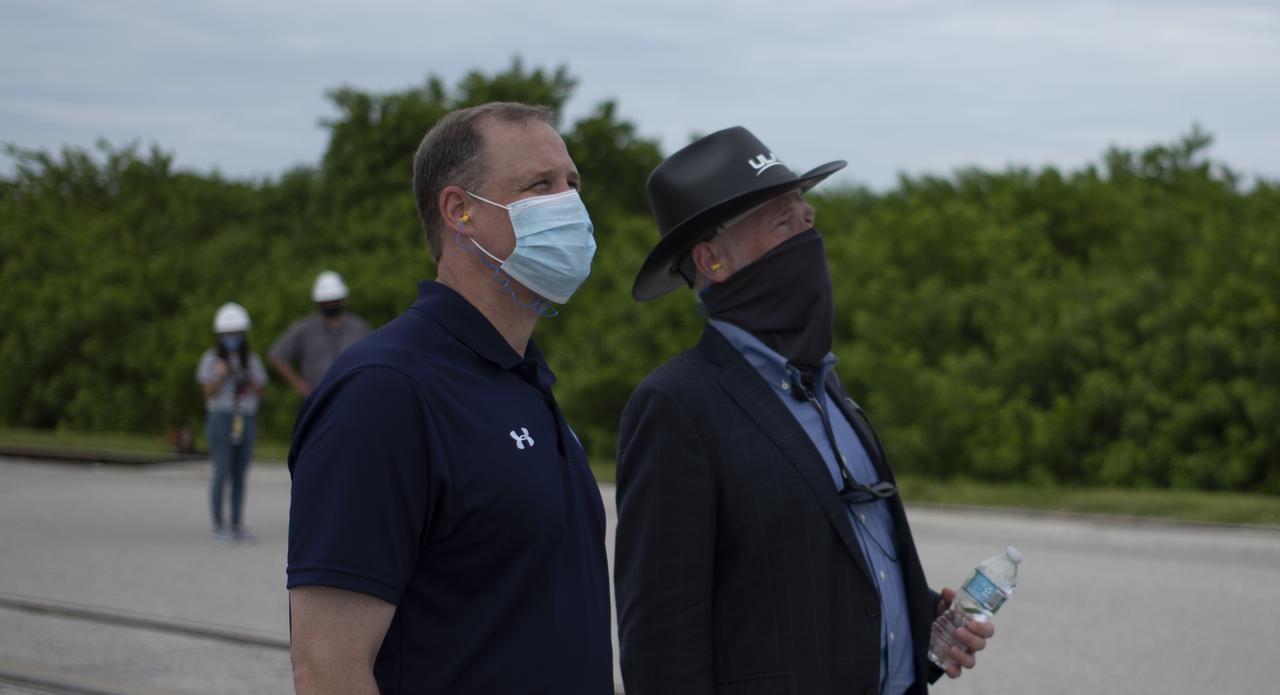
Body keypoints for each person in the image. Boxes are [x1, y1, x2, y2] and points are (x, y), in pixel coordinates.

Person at [614, 127, 996, 695]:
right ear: (712, 260)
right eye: (783, 224)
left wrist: (924, 630)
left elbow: (823, 570)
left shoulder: (826, 387)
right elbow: (662, 647)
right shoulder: (676, 405)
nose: (807, 241)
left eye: (807, 221)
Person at [286, 102, 613, 695]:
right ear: (459, 210)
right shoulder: (386, 391)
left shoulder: (523, 379)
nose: (569, 205)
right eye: (540, 185)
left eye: (572, 185)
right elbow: (328, 666)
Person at [196, 301, 268, 541]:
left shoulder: (252, 360)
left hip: (245, 417)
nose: (232, 338)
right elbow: (207, 391)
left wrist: (248, 378)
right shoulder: (210, 359)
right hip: (220, 416)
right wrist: (222, 374)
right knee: (222, 470)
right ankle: (218, 524)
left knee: (240, 473)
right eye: (228, 334)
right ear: (220, 335)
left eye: (236, 333)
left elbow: (261, 391)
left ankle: (237, 523)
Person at [268, 270, 370, 397]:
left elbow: (372, 356)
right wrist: (299, 384)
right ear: (319, 302)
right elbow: (277, 355)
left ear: (343, 299)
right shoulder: (305, 328)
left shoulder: (358, 326)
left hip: (353, 393)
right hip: (318, 396)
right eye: (327, 301)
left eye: (335, 300)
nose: (331, 305)